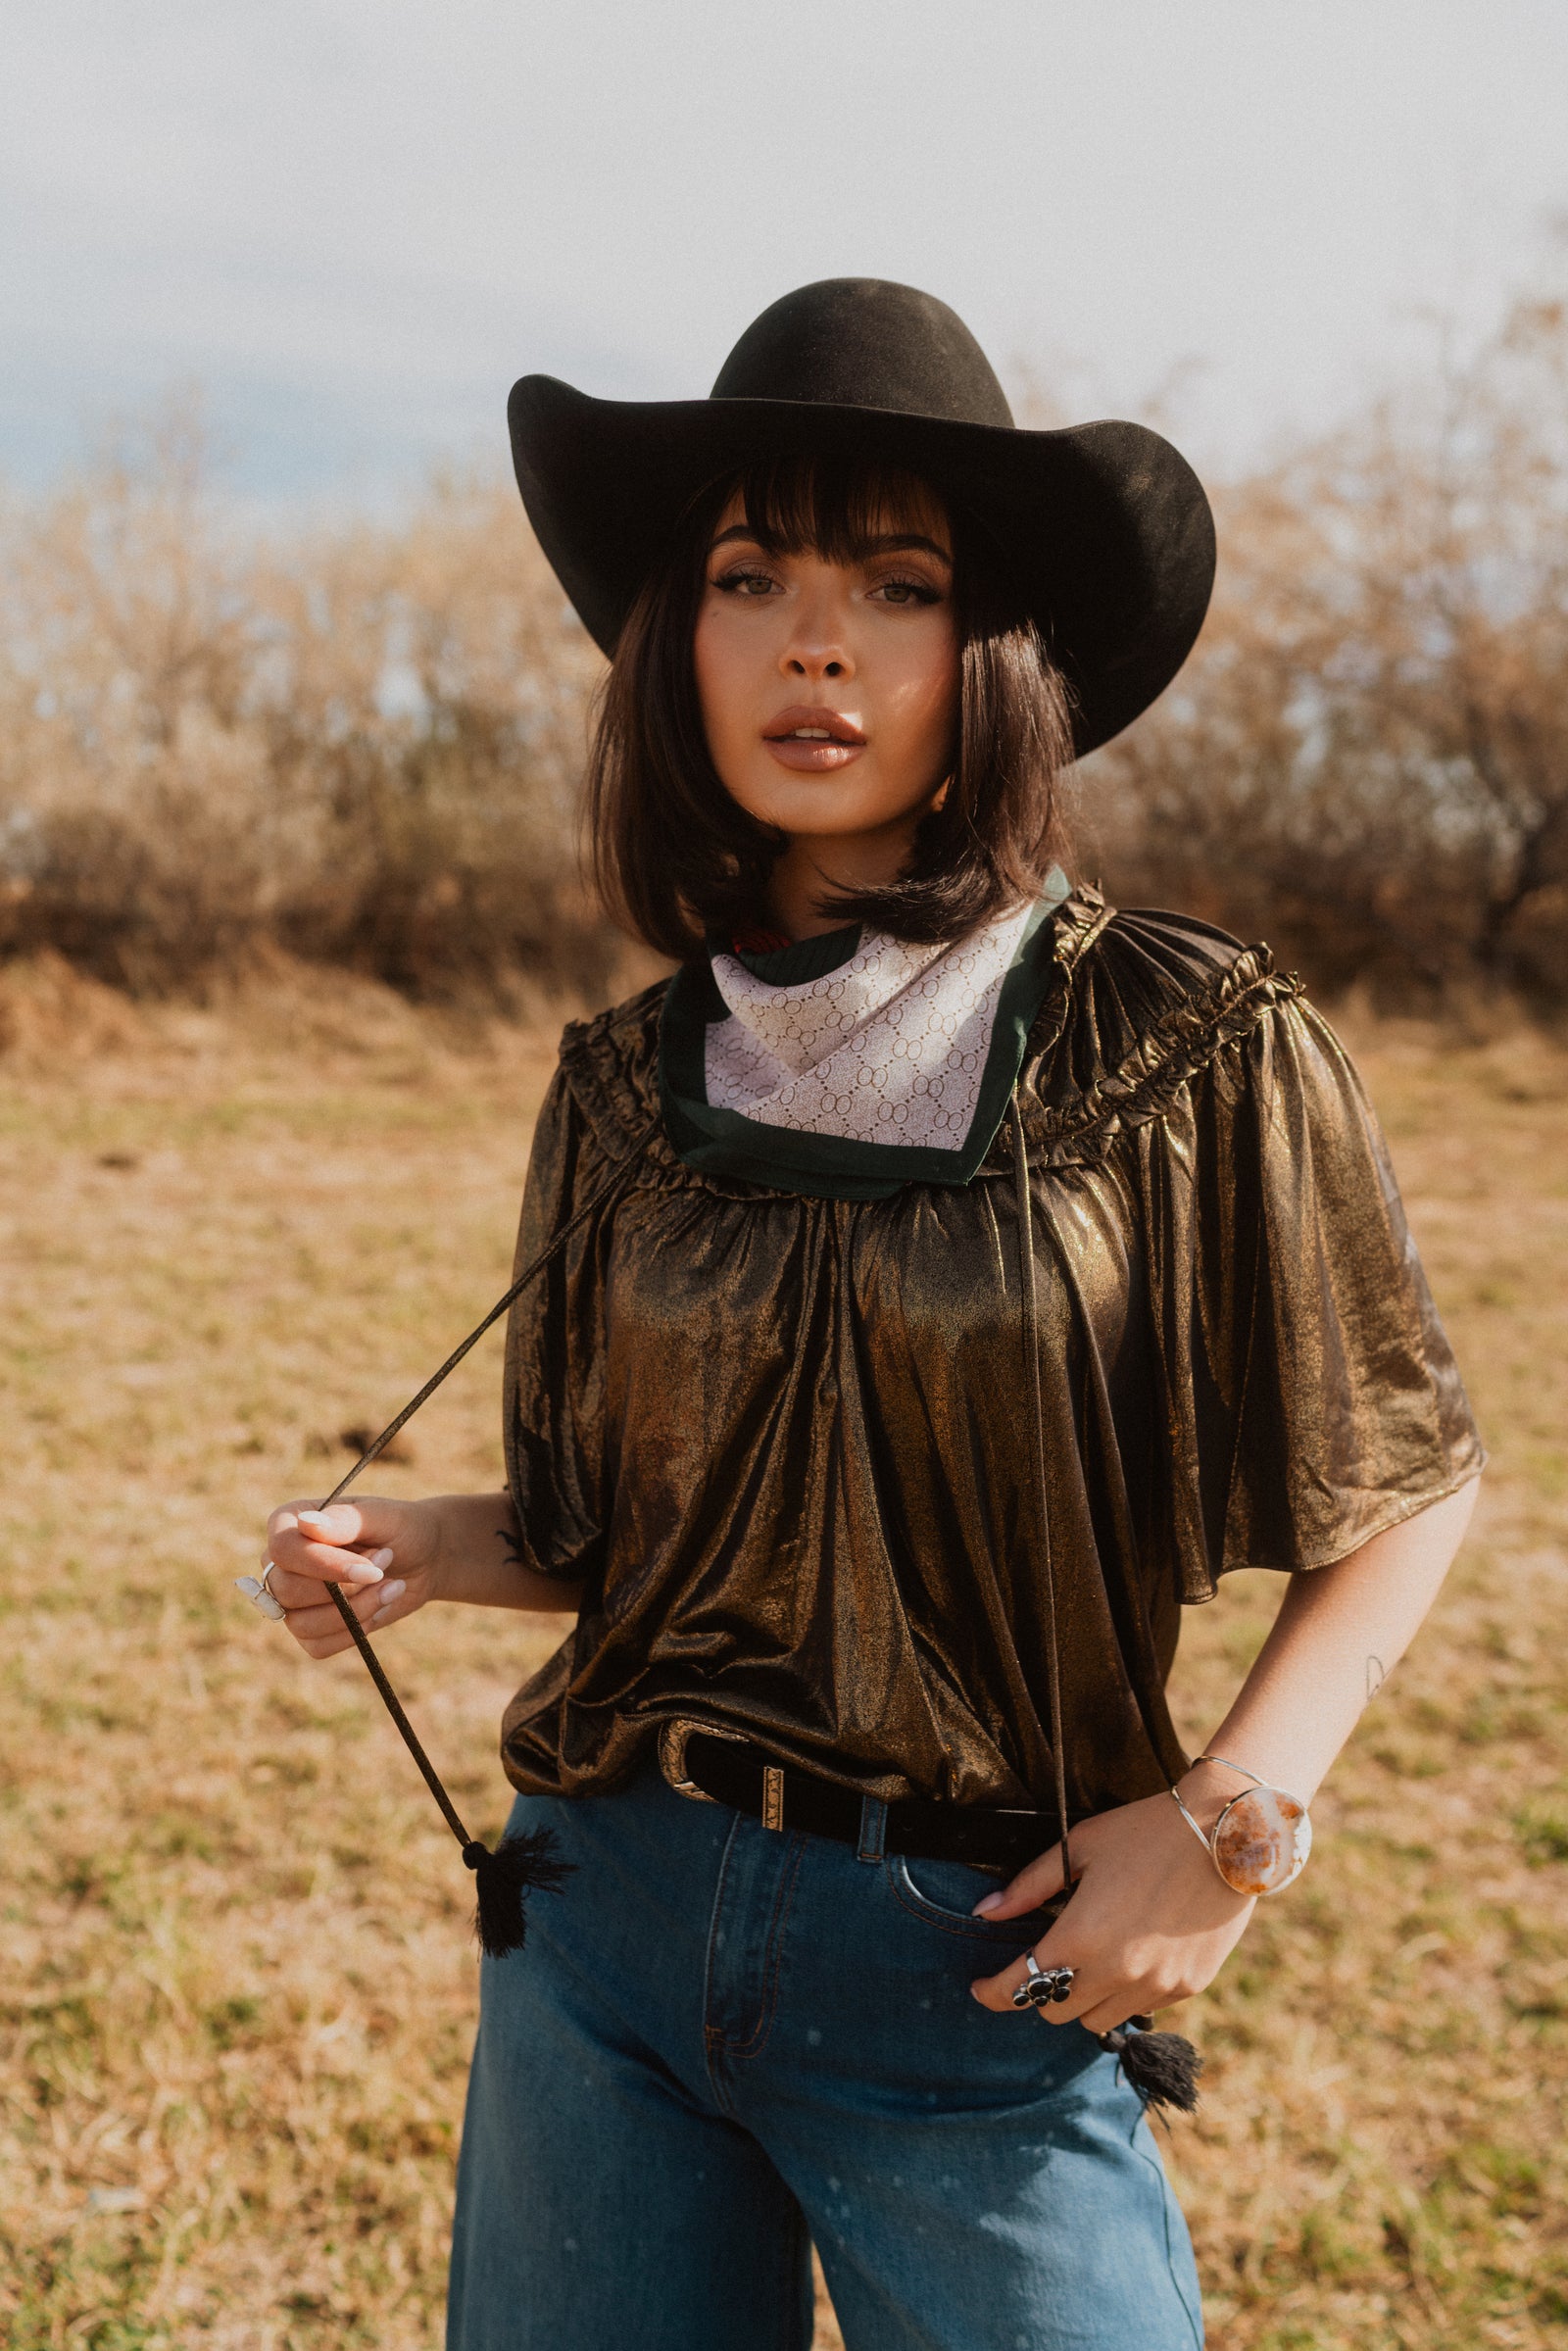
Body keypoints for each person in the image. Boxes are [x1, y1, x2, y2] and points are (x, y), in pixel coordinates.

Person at [258, 280, 1483, 2351]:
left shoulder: (1182, 1039)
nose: (812, 643)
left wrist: (1228, 1824)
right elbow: (604, 1525)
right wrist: (421, 1548)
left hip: (977, 1958)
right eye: (751, 578)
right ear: (679, 641)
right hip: (602, 1935)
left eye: (893, 586)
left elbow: (1408, 1479)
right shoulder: (621, 1082)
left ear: (988, 651)